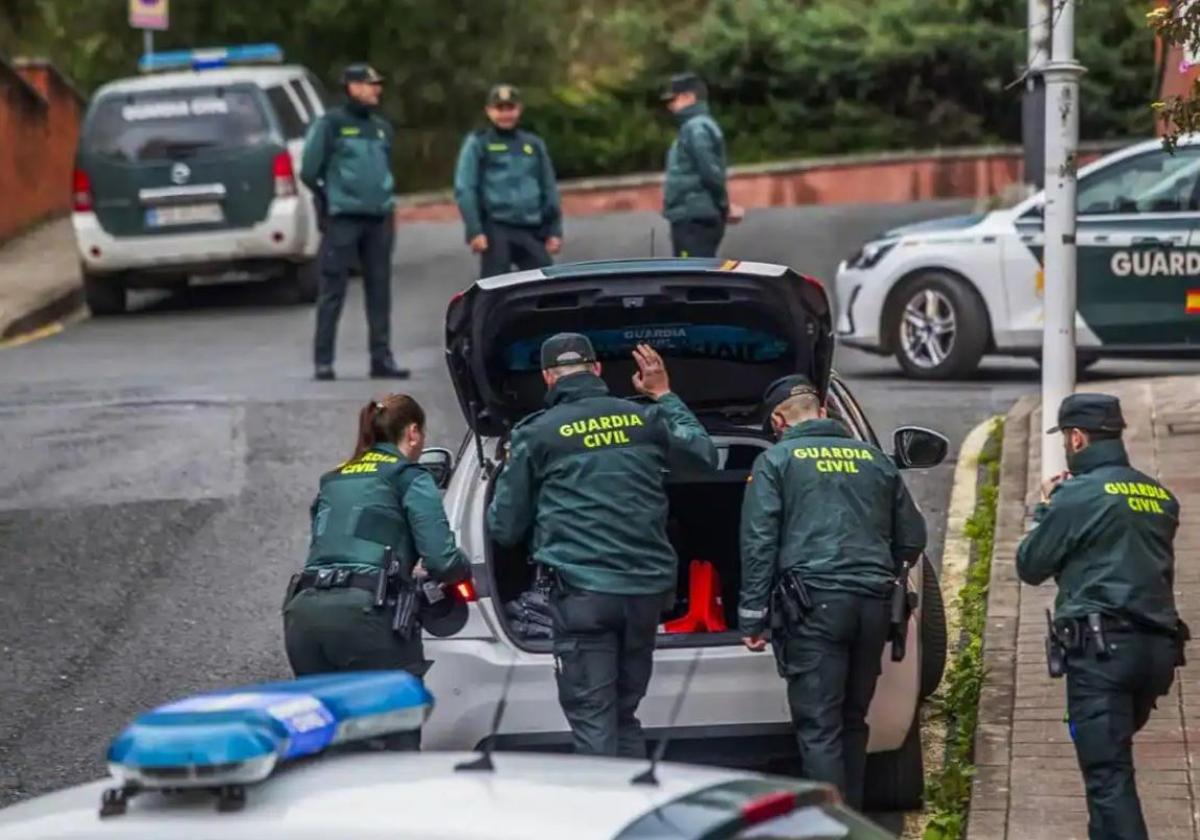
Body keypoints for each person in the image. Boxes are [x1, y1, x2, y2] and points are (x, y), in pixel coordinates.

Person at [487, 335, 717, 756]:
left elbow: (504, 528)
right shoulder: (645, 419)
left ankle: (602, 814)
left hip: (583, 596)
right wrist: (664, 394)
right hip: (646, 594)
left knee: (593, 717)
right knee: (623, 714)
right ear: (596, 370)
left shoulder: (537, 434)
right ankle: (631, 810)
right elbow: (704, 455)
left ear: (547, 378)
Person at [738, 376, 926, 809]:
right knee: (852, 720)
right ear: (823, 411)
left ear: (778, 421)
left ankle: (830, 827)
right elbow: (912, 539)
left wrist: (752, 614)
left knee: (819, 726)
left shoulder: (777, 462)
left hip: (813, 607)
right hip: (874, 606)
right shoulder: (875, 460)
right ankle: (851, 822)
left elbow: (759, 542)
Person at [1017, 393, 1184, 840]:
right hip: (1157, 653)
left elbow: (1030, 565)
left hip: (1102, 653)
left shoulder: (1076, 496)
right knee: (1108, 768)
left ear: (1076, 438)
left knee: (1109, 777)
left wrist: (1046, 508)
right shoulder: (1158, 495)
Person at [283, 394, 470, 749]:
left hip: (304, 617)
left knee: (330, 743)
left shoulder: (334, 478)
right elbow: (442, 559)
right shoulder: (408, 476)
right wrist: (464, 571)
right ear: (413, 433)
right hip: (365, 618)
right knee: (394, 744)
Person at [300, 63, 408, 382]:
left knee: (379, 289)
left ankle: (381, 358)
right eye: (369, 84)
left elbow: (384, 168)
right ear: (352, 86)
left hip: (378, 218)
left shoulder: (380, 127)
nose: (376, 89)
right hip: (344, 218)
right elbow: (309, 169)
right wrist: (328, 199)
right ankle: (323, 360)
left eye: (377, 84)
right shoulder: (331, 124)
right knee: (333, 288)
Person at [453, 84, 563, 277]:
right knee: (496, 291)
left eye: (510, 108)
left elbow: (548, 187)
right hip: (496, 228)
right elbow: (465, 188)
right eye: (499, 108)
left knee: (547, 283)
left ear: (519, 109)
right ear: (489, 111)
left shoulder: (533, 144)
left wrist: (554, 230)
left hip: (531, 228)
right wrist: (474, 230)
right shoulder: (478, 143)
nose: (505, 114)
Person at [660, 72, 744, 258]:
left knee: (692, 275)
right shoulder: (693, 127)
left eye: (674, 99)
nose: (670, 105)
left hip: (694, 218)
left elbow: (710, 172)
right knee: (695, 273)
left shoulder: (696, 128)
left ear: (689, 97)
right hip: (693, 214)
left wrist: (724, 205)